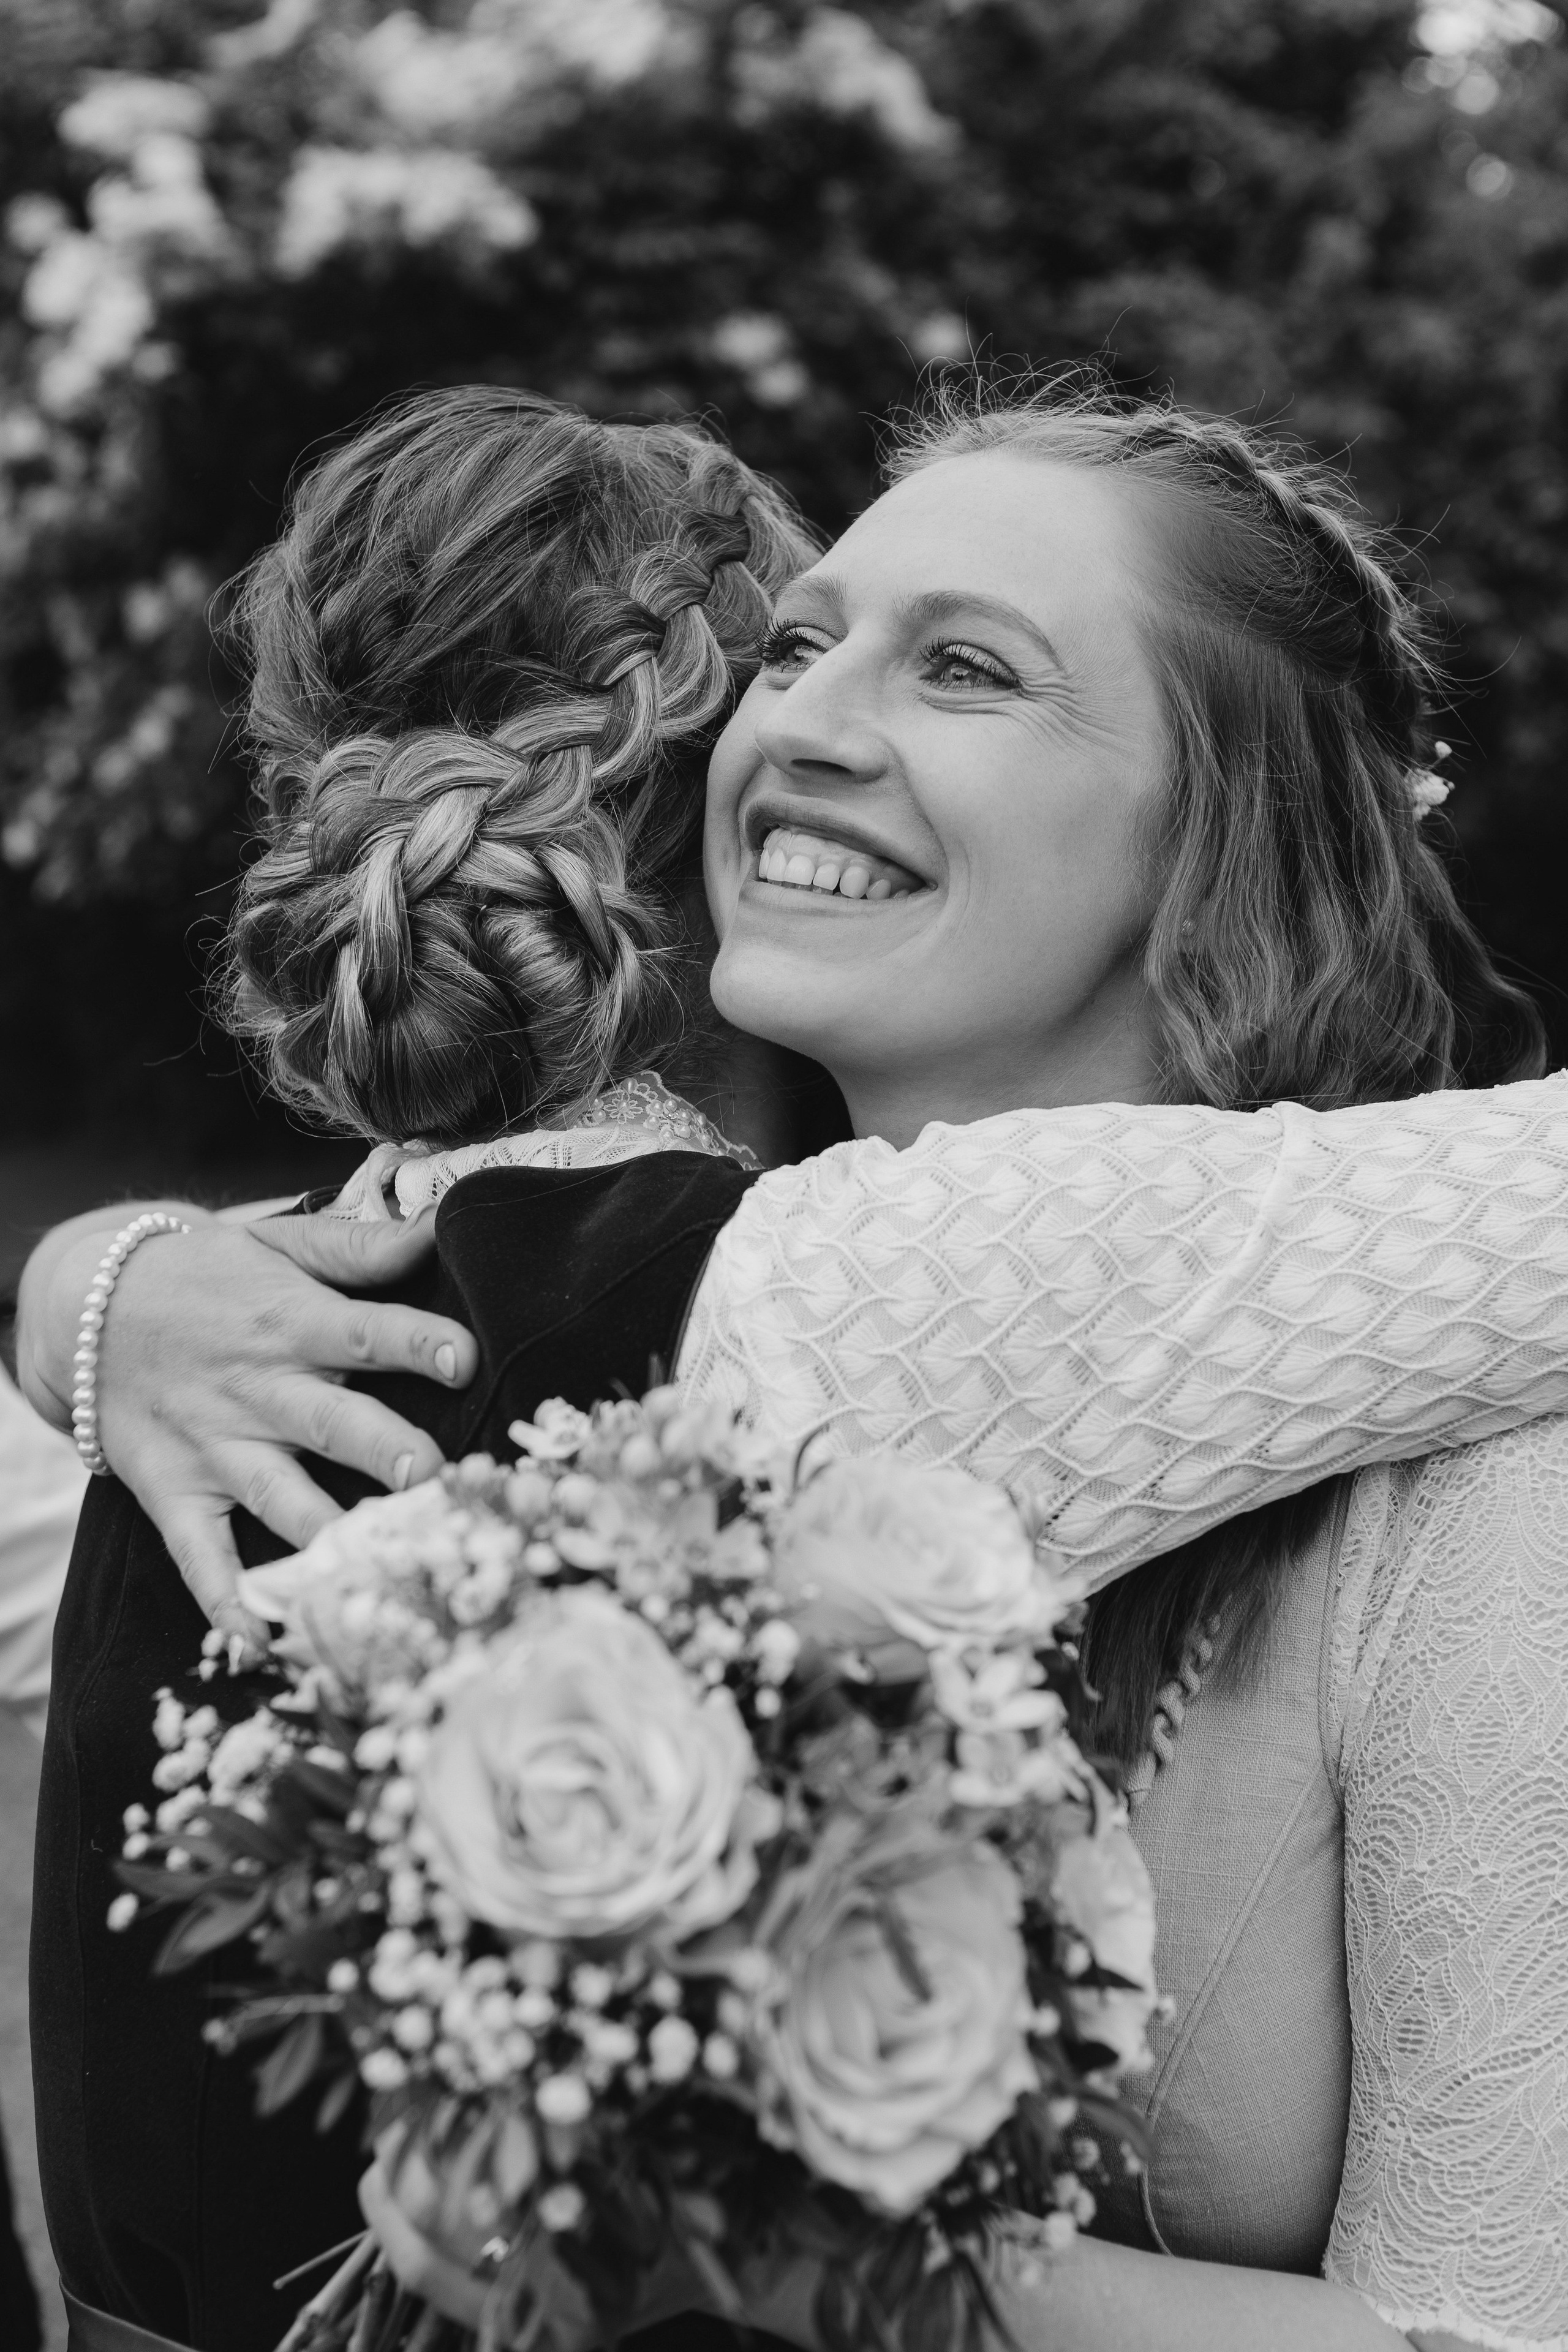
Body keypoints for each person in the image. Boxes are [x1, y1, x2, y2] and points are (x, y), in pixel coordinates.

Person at [18, 379, 1568, 2350]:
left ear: (1235, 821)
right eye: (795, 648)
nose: (810, 721)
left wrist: (89, 1283)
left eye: (973, 671)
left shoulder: (1462, 1463)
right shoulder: (703, 1286)